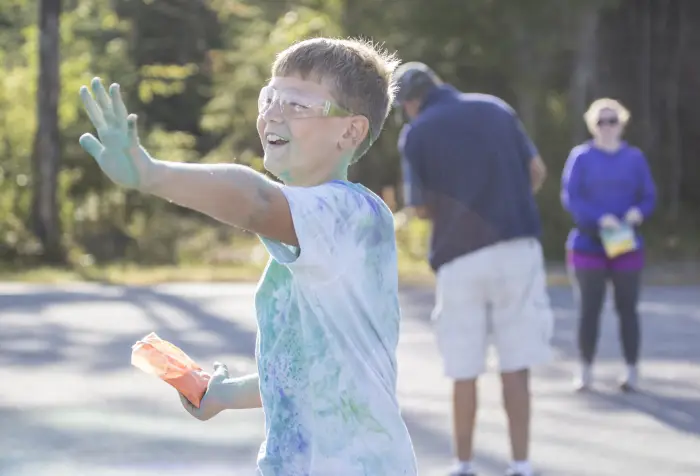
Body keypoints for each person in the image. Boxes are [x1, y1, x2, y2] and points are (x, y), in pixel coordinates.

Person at [78, 37, 418, 475]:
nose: (273, 113)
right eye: (269, 98)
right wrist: (224, 393)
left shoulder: (353, 214)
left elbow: (255, 201)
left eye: (297, 104)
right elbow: (309, 368)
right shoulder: (308, 236)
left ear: (350, 131)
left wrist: (151, 174)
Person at [393, 62, 553, 476]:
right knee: (516, 363)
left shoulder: (417, 132)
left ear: (411, 101)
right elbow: (536, 171)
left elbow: (419, 205)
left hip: (460, 257)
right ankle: (521, 464)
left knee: (463, 367)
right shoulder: (496, 109)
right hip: (518, 247)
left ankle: (463, 464)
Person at [561, 98, 657, 393]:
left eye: (612, 120)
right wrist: (599, 218)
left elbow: (648, 195)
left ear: (621, 123)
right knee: (589, 309)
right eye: (601, 121)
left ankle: (631, 370)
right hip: (589, 243)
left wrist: (637, 213)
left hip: (625, 244)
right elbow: (571, 197)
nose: (607, 126)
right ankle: (586, 370)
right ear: (593, 125)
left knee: (628, 309)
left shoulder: (635, 158)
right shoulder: (581, 157)